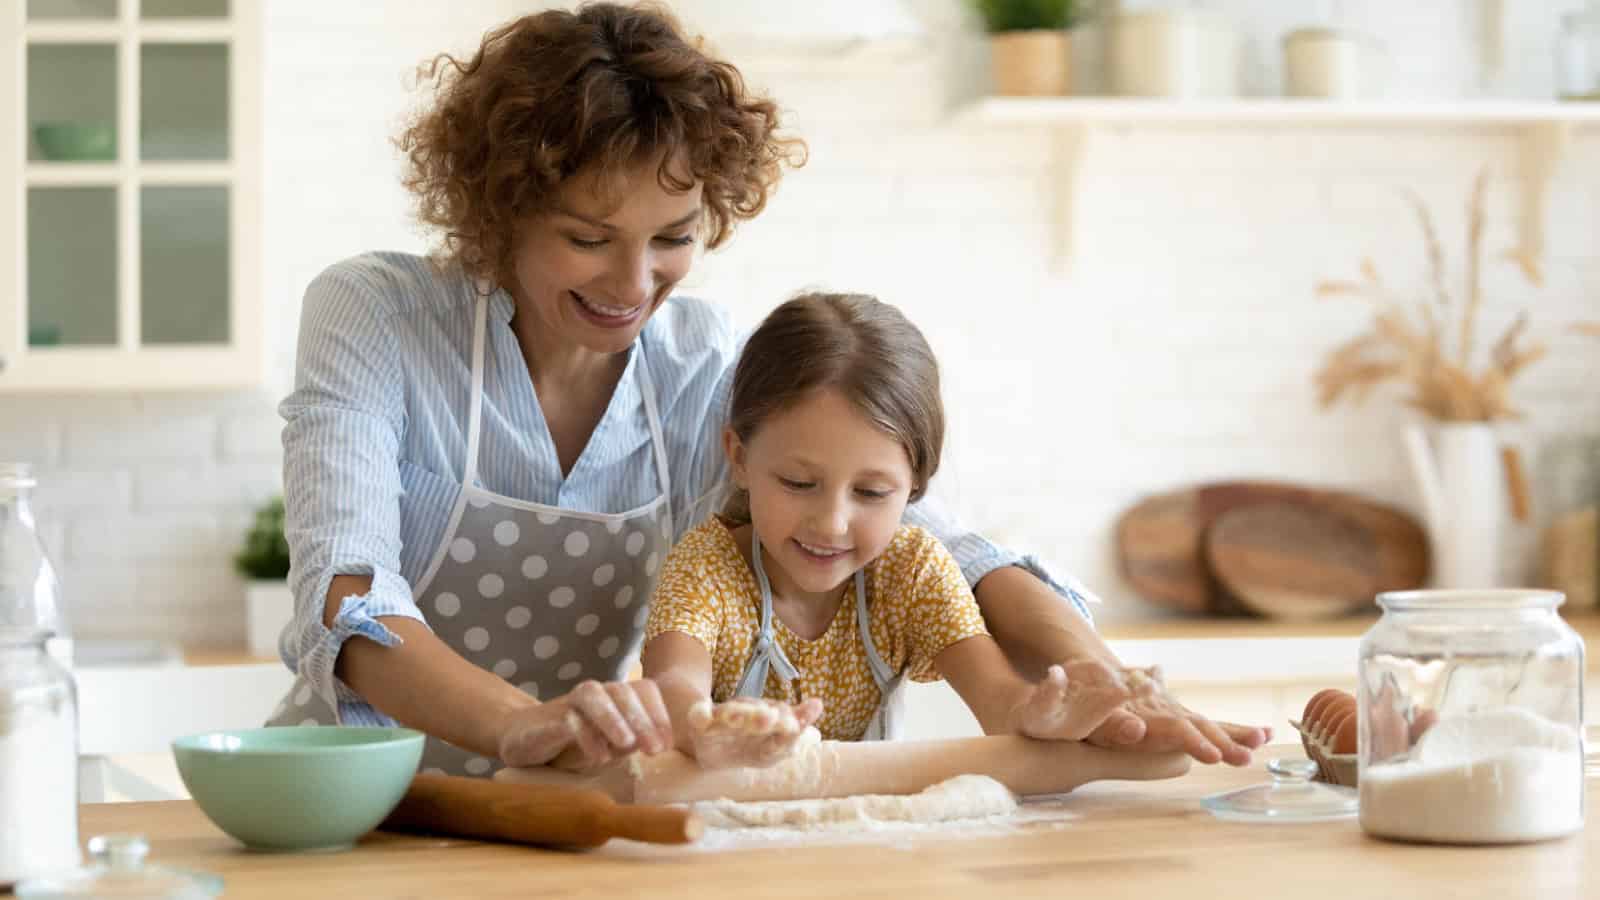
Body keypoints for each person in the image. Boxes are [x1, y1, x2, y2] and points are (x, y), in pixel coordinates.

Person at [265, 1, 1268, 777]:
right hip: (352, 792)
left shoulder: (701, 363)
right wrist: (524, 722)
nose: (630, 287)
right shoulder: (375, 317)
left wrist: (1112, 682)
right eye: (585, 239)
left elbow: (938, 541)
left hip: (565, 801)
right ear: (499, 210)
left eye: (671, 240)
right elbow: (347, 595)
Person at [642, 293, 1144, 766]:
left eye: (871, 493)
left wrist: (1036, 714)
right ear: (740, 458)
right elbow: (674, 688)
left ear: (915, 488)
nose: (832, 523)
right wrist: (706, 727)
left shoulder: (911, 573)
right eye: (798, 482)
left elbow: (999, 700)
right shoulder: (706, 567)